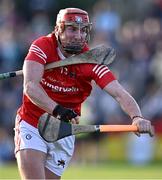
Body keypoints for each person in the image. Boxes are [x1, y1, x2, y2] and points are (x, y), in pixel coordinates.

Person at [14, 7, 154, 179]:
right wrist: (58, 110)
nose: (78, 35)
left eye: (83, 30)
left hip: (63, 132)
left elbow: (119, 93)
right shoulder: (42, 46)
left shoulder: (91, 60)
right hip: (32, 123)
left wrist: (136, 116)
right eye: (72, 29)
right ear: (59, 29)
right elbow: (30, 86)